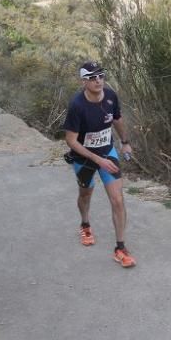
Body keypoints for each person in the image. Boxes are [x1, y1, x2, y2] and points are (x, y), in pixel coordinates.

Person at [63, 61, 135, 268]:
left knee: (118, 200)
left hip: (107, 152)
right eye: (93, 77)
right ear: (84, 81)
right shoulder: (77, 105)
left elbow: (118, 119)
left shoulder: (111, 96)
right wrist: (97, 160)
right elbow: (71, 140)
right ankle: (85, 224)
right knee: (86, 194)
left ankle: (120, 248)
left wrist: (125, 142)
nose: (98, 81)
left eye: (101, 76)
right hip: (83, 158)